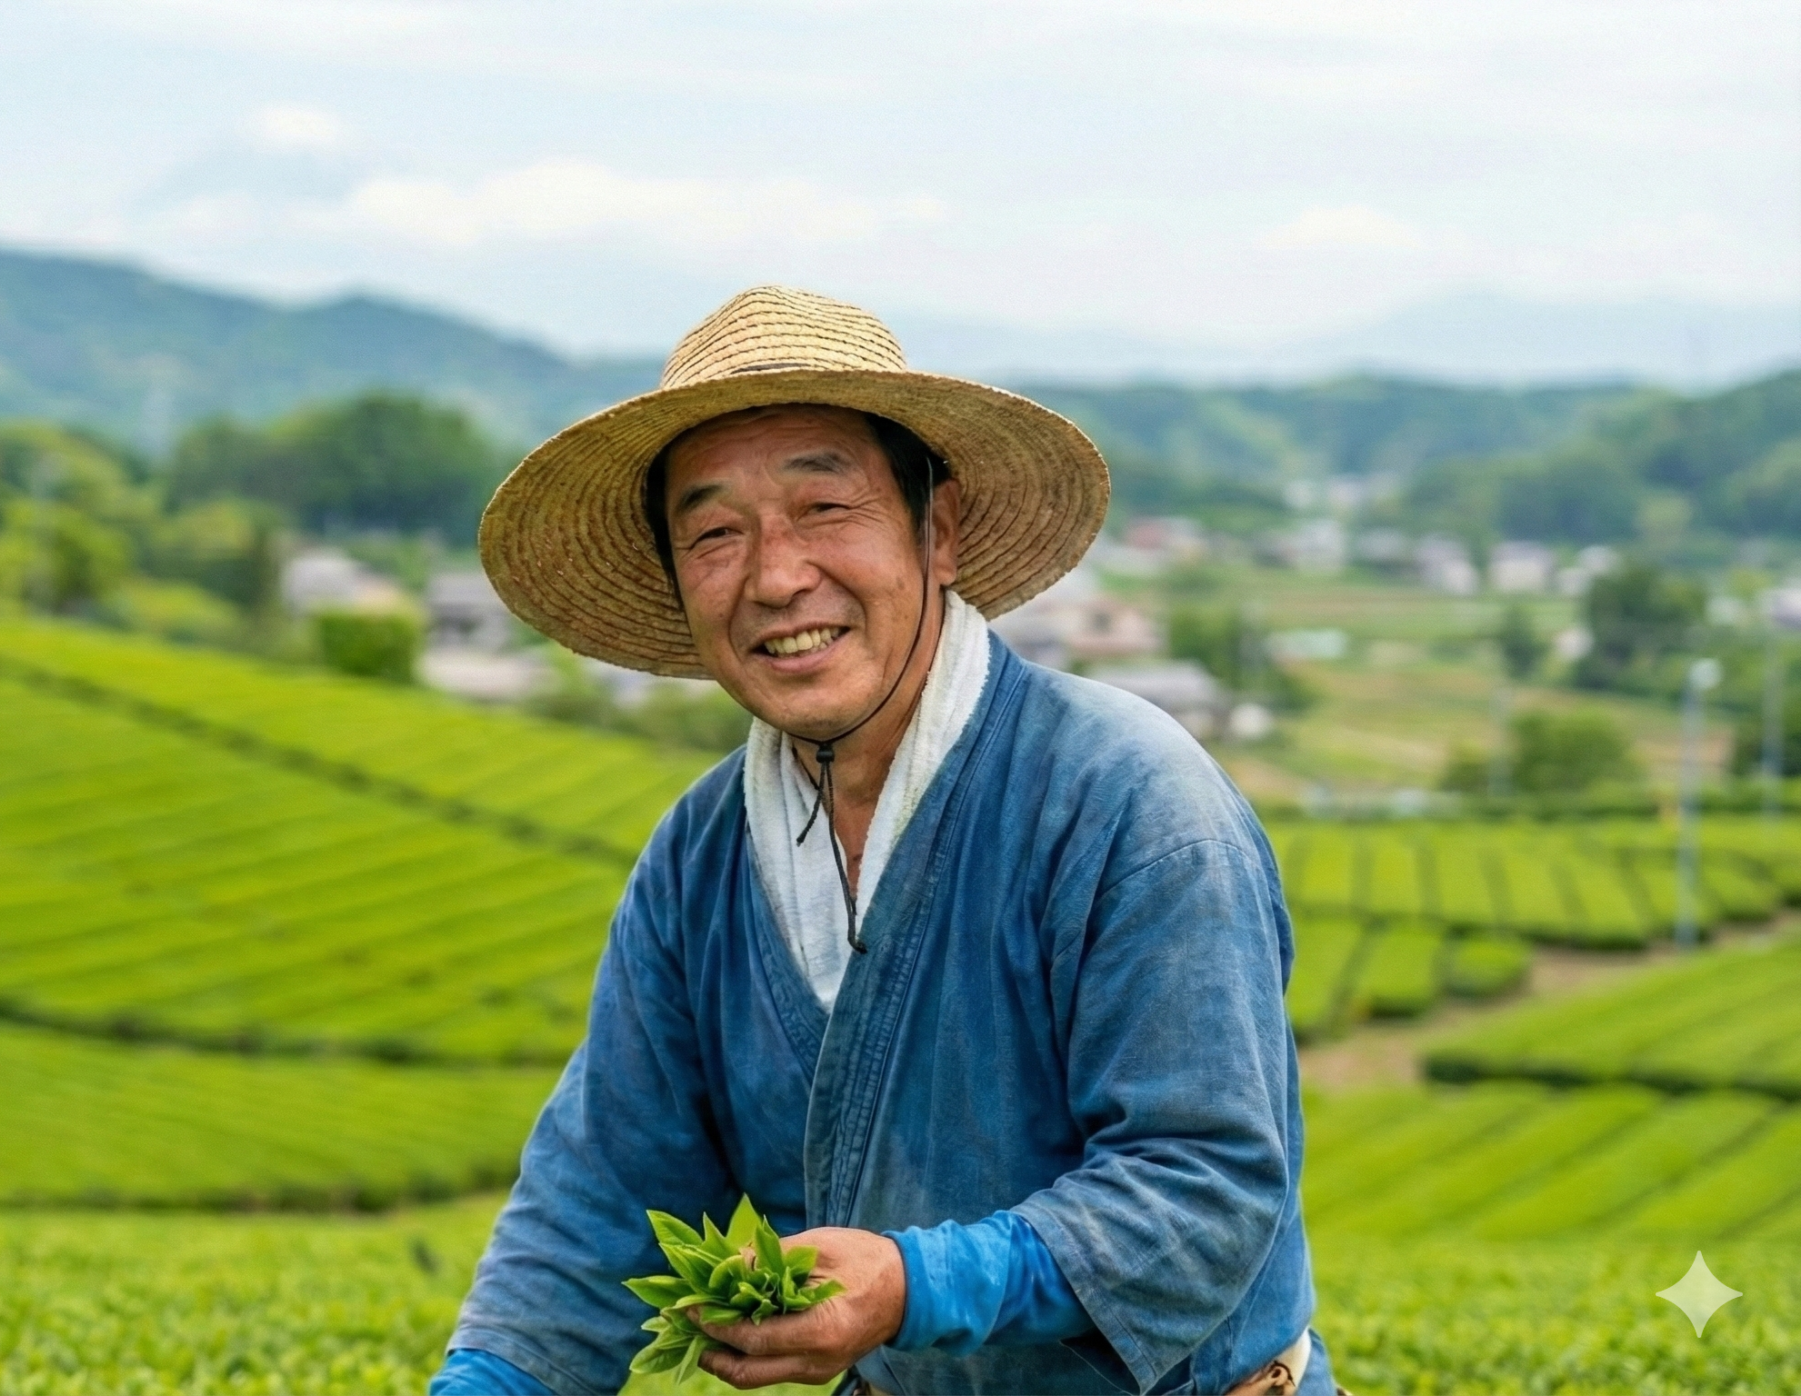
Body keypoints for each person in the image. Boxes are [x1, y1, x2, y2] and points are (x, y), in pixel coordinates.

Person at [429, 287, 1334, 1396]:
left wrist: (912, 1285)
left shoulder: (1127, 799)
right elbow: (601, 1198)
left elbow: (1204, 1190)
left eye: (824, 507)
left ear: (936, 530)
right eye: (714, 533)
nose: (775, 576)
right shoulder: (701, 857)